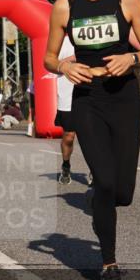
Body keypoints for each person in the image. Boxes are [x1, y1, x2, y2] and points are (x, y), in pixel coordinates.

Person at [44, 0, 140, 280]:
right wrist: (63, 66)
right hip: (88, 98)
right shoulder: (65, 6)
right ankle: (109, 266)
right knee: (105, 180)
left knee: (122, 193)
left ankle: (99, 200)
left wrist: (132, 57)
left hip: (123, 97)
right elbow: (48, 56)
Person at [55, 36, 77, 184]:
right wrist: (73, 58)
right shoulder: (57, 39)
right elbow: (49, 62)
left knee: (94, 136)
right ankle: (66, 165)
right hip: (67, 95)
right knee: (69, 136)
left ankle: (95, 171)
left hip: (91, 93)